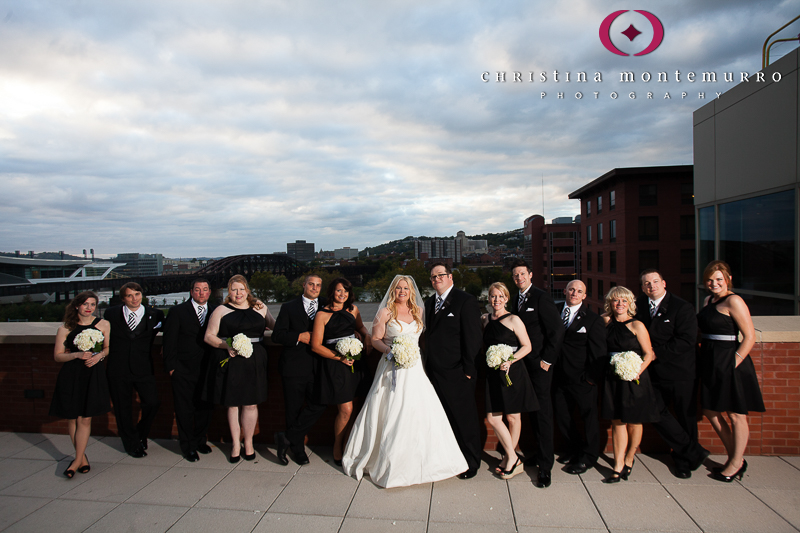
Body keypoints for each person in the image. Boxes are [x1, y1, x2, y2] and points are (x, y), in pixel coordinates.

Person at [342, 275, 468, 487]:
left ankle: (426, 461)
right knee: (392, 410)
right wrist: (391, 351)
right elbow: (375, 340)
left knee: (419, 411)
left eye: (406, 288)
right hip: (392, 367)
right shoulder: (385, 312)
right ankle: (390, 462)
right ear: (393, 290)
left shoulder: (420, 312)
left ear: (412, 291)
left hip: (415, 369)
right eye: (399, 288)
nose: (403, 292)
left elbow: (428, 337)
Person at [636, 269, 709, 479]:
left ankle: (683, 460)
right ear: (642, 288)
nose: (652, 286)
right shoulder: (639, 305)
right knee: (655, 410)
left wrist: (653, 354)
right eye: (647, 283)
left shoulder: (682, 307)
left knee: (686, 417)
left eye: (655, 281)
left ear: (664, 283)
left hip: (681, 372)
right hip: (654, 374)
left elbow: (686, 340)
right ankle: (692, 451)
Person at [697, 260, 765, 482]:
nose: (714, 283)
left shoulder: (734, 300)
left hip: (730, 362)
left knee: (736, 415)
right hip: (710, 360)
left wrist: (733, 363)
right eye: (710, 279)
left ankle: (736, 463)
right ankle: (735, 455)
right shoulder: (708, 300)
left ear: (728, 279)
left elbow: (749, 337)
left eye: (718, 279)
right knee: (709, 409)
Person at [204, 275, 275, 463]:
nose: (238, 293)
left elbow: (275, 326)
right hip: (232, 359)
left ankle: (249, 442)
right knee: (233, 403)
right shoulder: (221, 310)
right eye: (234, 289)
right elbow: (209, 336)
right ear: (229, 292)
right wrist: (226, 345)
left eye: (241, 289)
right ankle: (236, 443)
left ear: (247, 290)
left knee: (251, 403)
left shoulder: (259, 308)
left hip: (255, 359)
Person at [424, 262, 483, 479]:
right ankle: (451, 458)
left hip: (458, 373)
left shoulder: (465, 301)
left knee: (464, 419)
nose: (436, 279)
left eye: (440, 275)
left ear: (451, 277)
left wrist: (468, 371)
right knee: (444, 419)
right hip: (434, 372)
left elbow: (473, 339)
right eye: (433, 276)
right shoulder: (430, 303)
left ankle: (471, 462)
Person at [509, 259, 564, 488]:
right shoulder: (515, 300)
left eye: (522, 274)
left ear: (530, 275)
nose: (519, 278)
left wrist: (547, 360)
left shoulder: (541, 297)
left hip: (540, 366)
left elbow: (556, 330)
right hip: (522, 366)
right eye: (515, 275)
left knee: (542, 415)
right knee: (530, 412)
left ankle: (545, 467)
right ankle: (536, 455)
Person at [600, 286, 660, 483]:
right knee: (617, 421)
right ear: (610, 302)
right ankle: (617, 466)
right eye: (616, 300)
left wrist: (635, 372)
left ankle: (629, 458)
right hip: (612, 378)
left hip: (634, 379)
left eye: (624, 301)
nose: (620, 304)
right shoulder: (605, 321)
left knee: (634, 422)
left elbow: (649, 354)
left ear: (630, 304)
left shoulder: (637, 325)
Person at [311, 277, 372, 466]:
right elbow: (315, 346)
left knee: (354, 406)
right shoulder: (322, 315)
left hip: (355, 363)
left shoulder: (353, 310)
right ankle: (337, 446)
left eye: (346, 291)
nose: (342, 294)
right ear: (331, 292)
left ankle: (348, 444)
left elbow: (360, 327)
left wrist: (367, 337)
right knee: (346, 409)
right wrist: (340, 358)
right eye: (339, 291)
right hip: (336, 364)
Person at [50, 291, 111, 478]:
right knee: (72, 417)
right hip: (72, 374)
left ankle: (76, 460)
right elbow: (58, 356)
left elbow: (107, 348)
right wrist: (76, 354)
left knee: (85, 418)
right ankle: (81, 458)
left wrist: (99, 355)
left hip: (93, 373)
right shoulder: (66, 328)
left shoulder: (103, 324)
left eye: (93, 304)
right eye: (85, 304)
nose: (89, 308)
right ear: (77, 306)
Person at [482, 282, 537, 480]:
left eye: (500, 296)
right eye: (493, 296)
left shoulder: (514, 319)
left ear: (506, 298)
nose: (496, 300)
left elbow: (527, 346)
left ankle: (508, 458)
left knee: (513, 418)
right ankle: (514, 458)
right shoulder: (486, 320)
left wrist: (509, 361)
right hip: (492, 374)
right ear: (489, 299)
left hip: (512, 373)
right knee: (493, 418)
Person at [104, 282, 164, 458]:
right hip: (117, 368)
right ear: (123, 298)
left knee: (153, 402)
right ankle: (131, 444)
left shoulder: (156, 314)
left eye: (137, 294)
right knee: (123, 408)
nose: (134, 299)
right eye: (129, 296)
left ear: (142, 295)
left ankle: (140, 433)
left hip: (143, 367)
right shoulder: (111, 314)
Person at [552, 280, 606, 475]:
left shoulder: (593, 320)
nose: (574, 293)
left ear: (585, 296)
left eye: (579, 291)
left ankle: (589, 457)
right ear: (565, 291)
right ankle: (574, 449)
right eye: (572, 289)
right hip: (558, 377)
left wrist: (590, 378)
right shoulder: (553, 311)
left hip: (583, 379)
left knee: (589, 419)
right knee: (563, 416)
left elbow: (599, 352)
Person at [273, 274, 327, 466]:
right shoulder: (288, 307)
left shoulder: (327, 305)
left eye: (318, 285)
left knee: (320, 402)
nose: (314, 288)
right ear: (304, 285)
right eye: (311, 284)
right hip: (293, 367)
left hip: (319, 367)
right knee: (293, 410)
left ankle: (287, 437)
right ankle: (298, 450)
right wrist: (299, 336)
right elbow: (277, 335)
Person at [163, 278, 216, 462]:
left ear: (209, 292)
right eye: (197, 290)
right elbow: (168, 341)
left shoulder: (216, 310)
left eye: (205, 289)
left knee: (205, 407)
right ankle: (188, 446)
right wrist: (171, 368)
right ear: (191, 291)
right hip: (183, 369)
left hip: (208, 368)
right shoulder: (177, 311)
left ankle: (200, 440)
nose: (201, 293)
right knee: (184, 409)